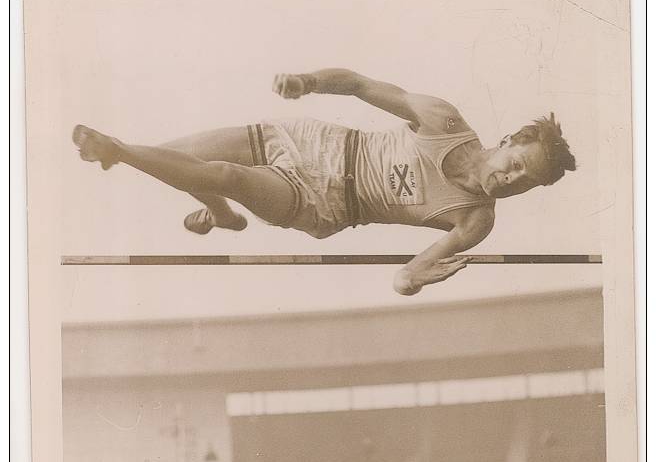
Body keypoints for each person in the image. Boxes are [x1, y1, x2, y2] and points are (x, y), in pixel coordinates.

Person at [72, 68, 576, 294]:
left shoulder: (475, 219)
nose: (510, 179)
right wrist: (308, 82)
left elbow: (405, 276)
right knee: (177, 154)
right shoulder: (444, 121)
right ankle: (223, 216)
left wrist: (415, 278)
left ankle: (116, 152)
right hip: (313, 140)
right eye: (516, 163)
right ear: (508, 139)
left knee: (221, 175)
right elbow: (358, 84)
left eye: (524, 183)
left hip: (326, 201)